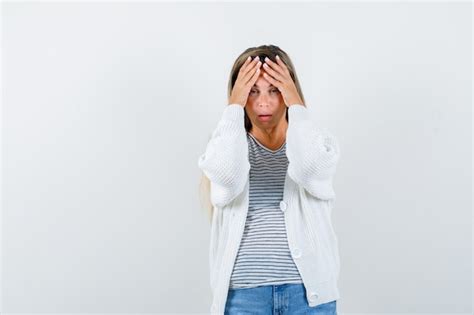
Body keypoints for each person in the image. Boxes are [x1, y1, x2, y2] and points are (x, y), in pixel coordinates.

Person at [198, 44, 341, 315]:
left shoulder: (315, 143)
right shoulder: (226, 145)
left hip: (308, 298)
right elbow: (228, 178)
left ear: (289, 90)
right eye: (252, 91)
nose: (263, 102)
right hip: (242, 299)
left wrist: (296, 104)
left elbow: (311, 169)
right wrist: (233, 109)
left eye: (274, 90)